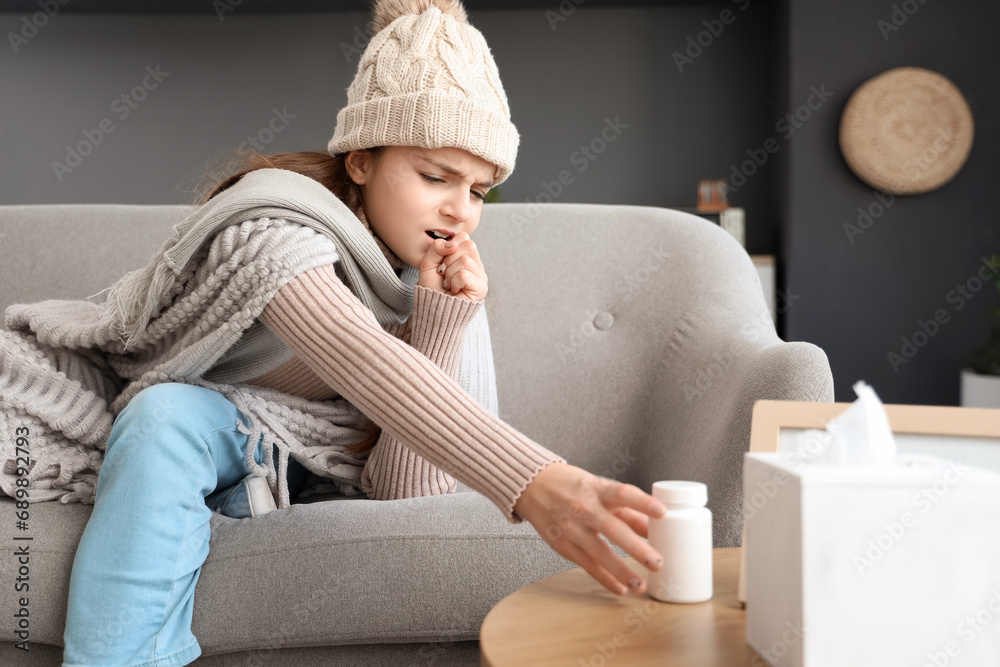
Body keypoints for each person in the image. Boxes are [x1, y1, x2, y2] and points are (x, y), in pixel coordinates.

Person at [60, 1, 667, 664]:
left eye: (478, 190)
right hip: (211, 409)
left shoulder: (437, 272)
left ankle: (243, 492)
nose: (458, 211)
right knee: (163, 415)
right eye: (434, 176)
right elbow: (366, 360)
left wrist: (439, 323)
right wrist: (541, 483)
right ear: (360, 161)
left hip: (291, 446)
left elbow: (408, 495)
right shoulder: (273, 230)